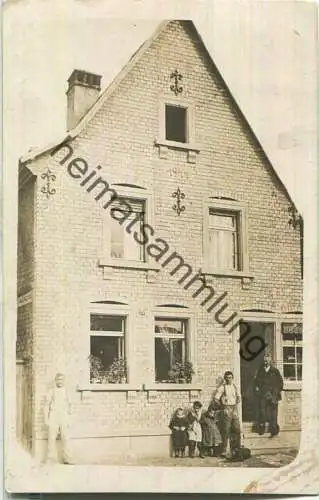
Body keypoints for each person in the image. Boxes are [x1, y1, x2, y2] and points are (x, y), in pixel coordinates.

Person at [44, 372, 73, 464]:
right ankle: (51, 459)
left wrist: (70, 418)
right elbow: (47, 405)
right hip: (54, 416)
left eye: (61, 379)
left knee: (66, 438)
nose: (60, 381)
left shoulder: (67, 391)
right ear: (55, 381)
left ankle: (67, 459)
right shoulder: (51, 391)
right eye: (58, 379)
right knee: (51, 438)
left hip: (64, 416)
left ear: (64, 380)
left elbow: (70, 405)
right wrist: (46, 419)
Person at [255, 353, 284, 437]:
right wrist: (257, 388)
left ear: (270, 360)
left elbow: (280, 383)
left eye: (267, 360)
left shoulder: (275, 371)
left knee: (273, 413)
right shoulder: (260, 370)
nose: (266, 361)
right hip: (263, 394)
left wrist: (276, 392)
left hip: (273, 395)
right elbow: (256, 381)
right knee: (262, 412)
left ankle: (274, 430)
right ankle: (262, 429)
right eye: (264, 360)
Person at [214, 371, 241, 457]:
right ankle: (224, 450)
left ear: (232, 378)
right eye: (227, 378)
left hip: (234, 408)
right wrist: (223, 407)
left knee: (237, 429)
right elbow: (216, 399)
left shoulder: (235, 386)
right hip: (227, 408)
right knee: (226, 430)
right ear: (225, 378)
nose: (229, 379)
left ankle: (236, 448)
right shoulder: (222, 387)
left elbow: (238, 397)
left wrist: (237, 400)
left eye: (230, 377)